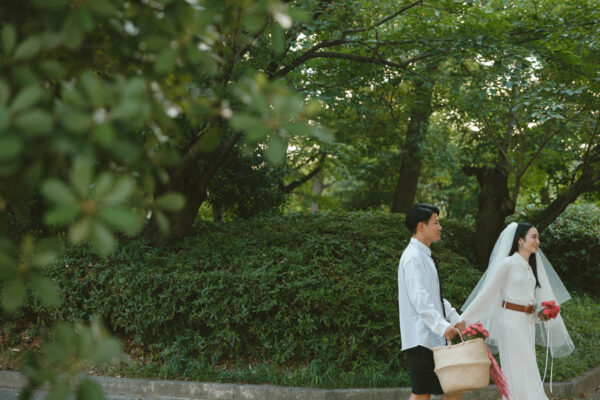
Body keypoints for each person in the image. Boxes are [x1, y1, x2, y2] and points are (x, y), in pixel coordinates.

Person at [461, 222, 574, 400]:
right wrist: (464, 319)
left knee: (526, 371)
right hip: (511, 323)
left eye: (538, 237)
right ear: (520, 240)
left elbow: (527, 303)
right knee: (524, 371)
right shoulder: (507, 264)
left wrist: (542, 315)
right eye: (534, 237)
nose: (538, 241)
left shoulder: (529, 267)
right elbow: (486, 294)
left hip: (527, 323)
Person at [398, 204, 466, 400]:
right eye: (436, 223)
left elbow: (433, 296)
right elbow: (419, 298)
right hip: (420, 337)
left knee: (453, 388)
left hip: (433, 336)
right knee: (421, 394)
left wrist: (454, 318)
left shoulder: (423, 255)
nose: (440, 227)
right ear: (421, 226)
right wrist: (442, 326)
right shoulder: (412, 257)